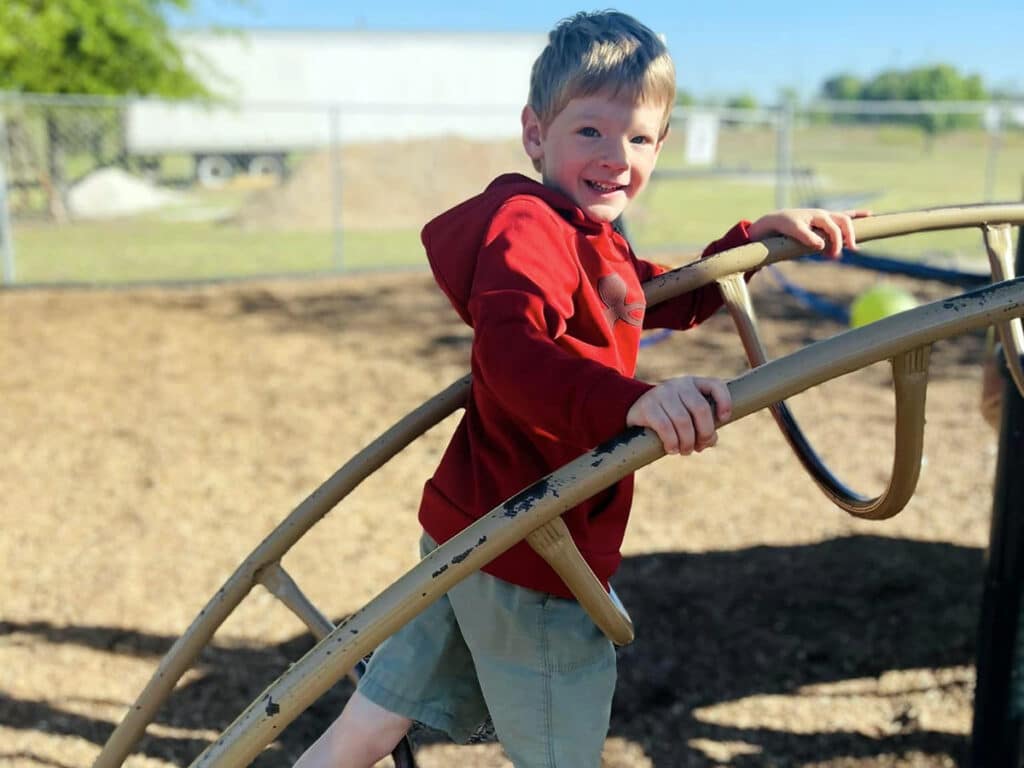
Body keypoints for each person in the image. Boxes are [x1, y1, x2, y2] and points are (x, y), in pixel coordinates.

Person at [295, 10, 863, 768]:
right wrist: (629, 402)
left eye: (638, 139)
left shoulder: (588, 231)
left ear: (661, 145)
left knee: (372, 726)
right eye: (590, 132)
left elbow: (643, 298)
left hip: (476, 521)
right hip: (531, 539)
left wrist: (750, 244)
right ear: (536, 133)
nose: (615, 157)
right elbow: (514, 356)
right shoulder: (528, 227)